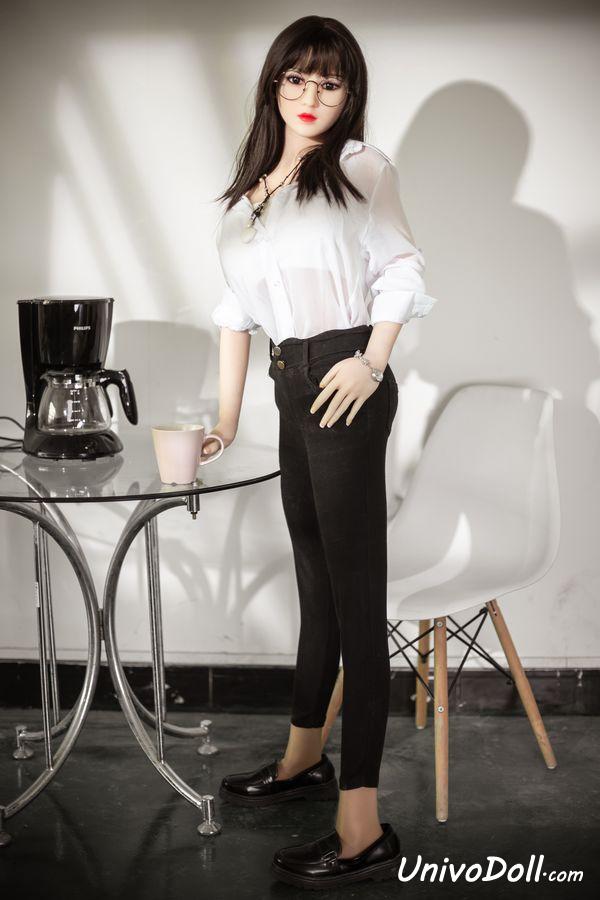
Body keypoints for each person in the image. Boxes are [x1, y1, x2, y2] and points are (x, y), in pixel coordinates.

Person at [203, 14, 438, 890]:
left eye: (329, 83)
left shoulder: (360, 167)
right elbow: (235, 314)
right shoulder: (248, 196)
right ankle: (305, 757)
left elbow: (403, 270)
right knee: (316, 580)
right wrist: (227, 420)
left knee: (356, 597)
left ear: (349, 94)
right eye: (296, 79)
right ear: (274, 84)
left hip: (345, 378)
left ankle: (362, 824)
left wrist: (372, 362)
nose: (311, 96)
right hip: (287, 383)